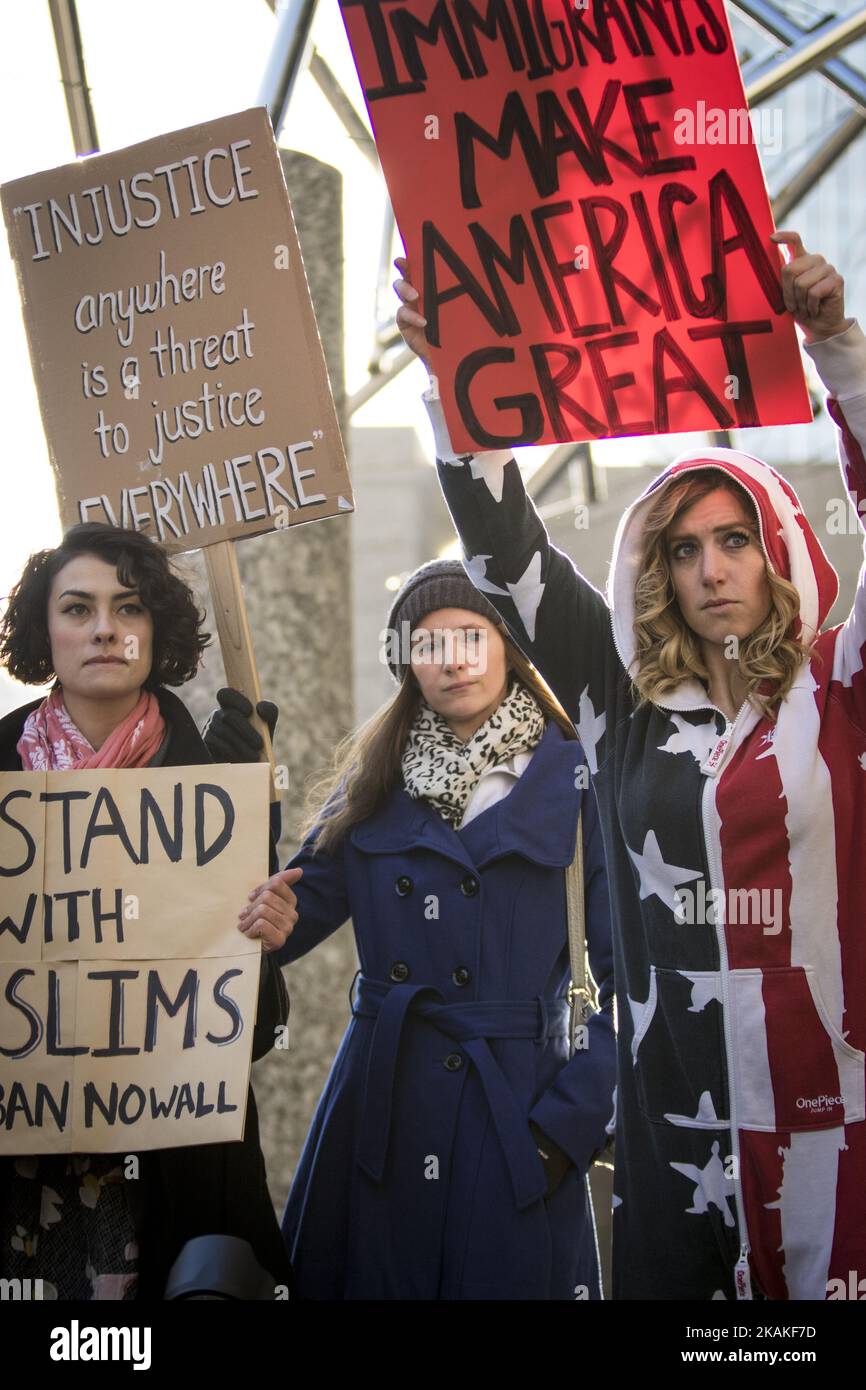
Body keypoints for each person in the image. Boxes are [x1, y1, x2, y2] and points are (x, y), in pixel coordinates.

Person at [393, 232, 866, 1301]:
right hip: (677, 1149)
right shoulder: (619, 703)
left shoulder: (842, 682)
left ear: (780, 545)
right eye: (681, 547)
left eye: (732, 538)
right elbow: (503, 549)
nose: (709, 569)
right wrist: (448, 369)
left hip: (836, 1134)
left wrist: (833, 345)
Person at [206, 564, 616, 1299]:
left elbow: (630, 979)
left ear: (508, 645)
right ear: (407, 667)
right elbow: (277, 924)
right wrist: (242, 796)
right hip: (383, 1111)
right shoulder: (373, 780)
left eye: (469, 636)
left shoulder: (579, 776)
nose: (451, 658)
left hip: (519, 1116)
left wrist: (566, 1129)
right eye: (427, 646)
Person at [0, 522, 297, 1300]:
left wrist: (263, 916)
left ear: (155, 632)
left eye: (129, 608)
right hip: (26, 1177)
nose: (104, 627)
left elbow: (254, 1032)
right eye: (78, 609)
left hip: (177, 1178)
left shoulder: (217, 777)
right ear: (44, 632)